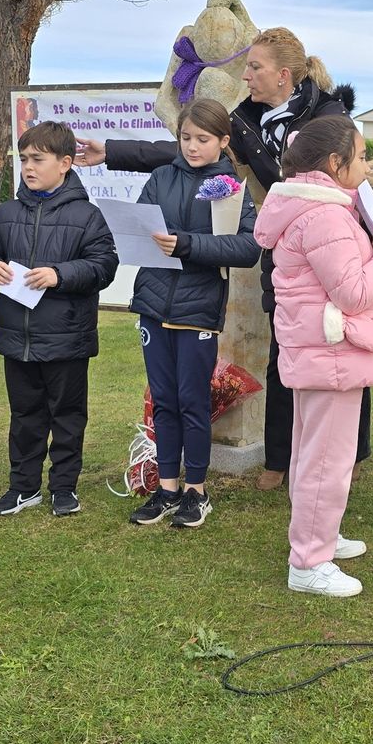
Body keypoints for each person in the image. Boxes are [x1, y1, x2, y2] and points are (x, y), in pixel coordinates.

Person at [75, 28, 370, 492]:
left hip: (329, 248)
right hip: (283, 254)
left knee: (340, 350)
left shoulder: (326, 116)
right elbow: (188, 147)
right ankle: (278, 457)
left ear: (284, 75)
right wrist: (113, 151)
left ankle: (348, 454)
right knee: (285, 351)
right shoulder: (246, 117)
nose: (245, 75)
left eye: (254, 67)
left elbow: (329, 179)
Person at [253, 115, 373, 596]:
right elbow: (356, 292)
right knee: (326, 461)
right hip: (332, 352)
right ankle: (309, 561)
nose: (366, 164)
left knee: (311, 454)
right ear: (335, 164)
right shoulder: (327, 217)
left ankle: (320, 537)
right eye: (360, 156)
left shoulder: (308, 208)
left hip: (321, 351)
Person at [126, 98, 260, 530]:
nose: (192, 146)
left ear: (223, 141)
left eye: (203, 139)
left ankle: (196, 492)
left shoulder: (232, 188)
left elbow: (247, 247)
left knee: (192, 402)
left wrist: (186, 244)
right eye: (185, 138)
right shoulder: (161, 177)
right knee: (163, 401)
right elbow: (140, 226)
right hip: (153, 303)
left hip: (198, 309)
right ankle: (166, 488)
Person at [0, 121, 119, 518]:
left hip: (67, 337)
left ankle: (64, 488)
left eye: (38, 159)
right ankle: (23, 488)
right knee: (24, 417)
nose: (28, 167)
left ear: (65, 164)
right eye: (23, 159)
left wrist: (61, 274)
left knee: (67, 417)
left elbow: (104, 265)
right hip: (16, 338)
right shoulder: (5, 213)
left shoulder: (88, 216)